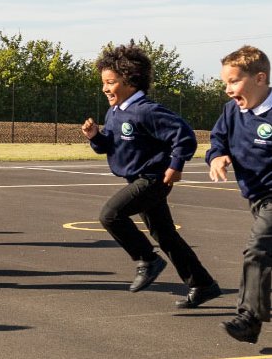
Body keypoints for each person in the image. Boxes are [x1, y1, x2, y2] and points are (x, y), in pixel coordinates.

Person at [81, 44, 219, 305]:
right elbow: (108, 146)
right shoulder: (115, 112)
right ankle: (202, 284)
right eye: (103, 83)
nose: (105, 89)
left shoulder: (147, 110)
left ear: (130, 81)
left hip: (154, 179)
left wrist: (176, 165)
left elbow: (185, 136)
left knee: (110, 215)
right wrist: (95, 137)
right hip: (138, 179)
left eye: (110, 83)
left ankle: (147, 259)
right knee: (165, 235)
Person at [208, 45, 272, 343]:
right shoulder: (232, 111)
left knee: (257, 249)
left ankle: (249, 318)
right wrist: (217, 156)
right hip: (257, 198)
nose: (228, 89)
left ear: (260, 79)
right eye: (225, 83)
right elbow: (217, 139)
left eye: (233, 81)